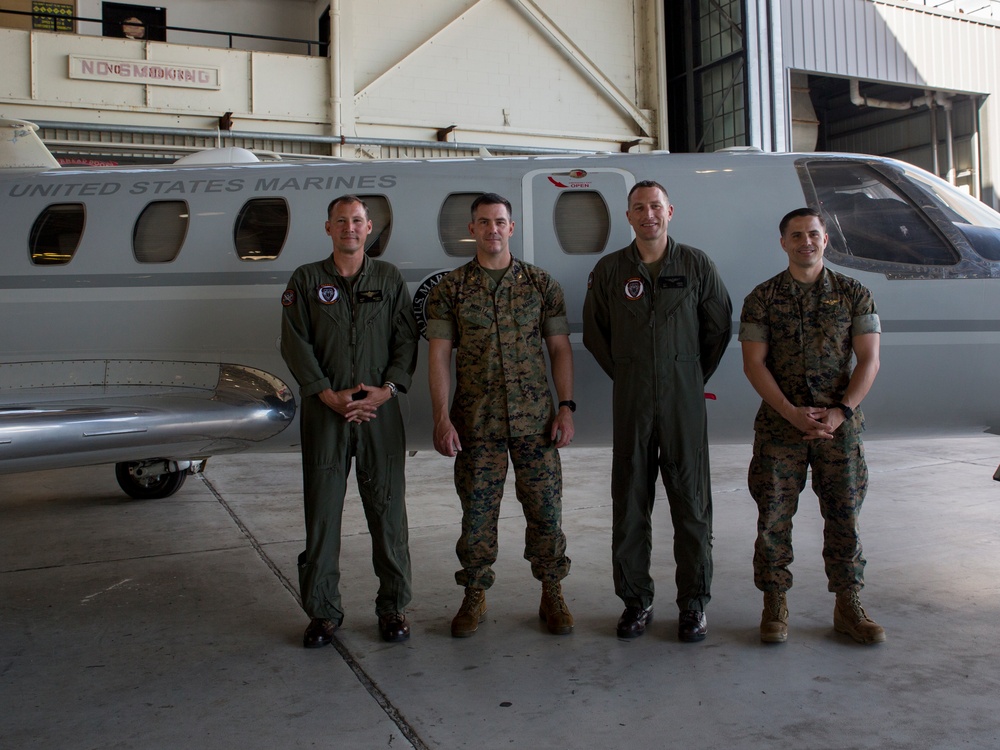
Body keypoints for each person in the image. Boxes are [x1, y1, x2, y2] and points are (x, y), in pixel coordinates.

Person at [582, 180, 732, 642]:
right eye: (638, 208)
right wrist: (631, 372)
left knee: (691, 503)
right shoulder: (610, 270)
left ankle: (693, 605)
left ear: (671, 211)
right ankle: (636, 601)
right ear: (627, 217)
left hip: (683, 402)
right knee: (629, 502)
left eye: (655, 206)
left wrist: (685, 375)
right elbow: (595, 334)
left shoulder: (696, 264)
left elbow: (719, 327)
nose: (648, 214)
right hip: (631, 401)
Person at [427, 192, 576, 638]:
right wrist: (441, 417)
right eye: (484, 222)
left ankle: (552, 593)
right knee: (476, 516)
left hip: (536, 422)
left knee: (546, 513)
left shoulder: (540, 284)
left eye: (500, 221)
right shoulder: (450, 289)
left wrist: (565, 408)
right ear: (471, 229)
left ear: (512, 228)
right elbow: (438, 358)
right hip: (476, 425)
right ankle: (474, 595)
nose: (493, 228)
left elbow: (559, 350)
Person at [739, 207, 885, 645]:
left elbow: (869, 359)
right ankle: (775, 604)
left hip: (839, 429)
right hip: (781, 429)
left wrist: (841, 411)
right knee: (773, 520)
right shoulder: (762, 298)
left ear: (826, 240)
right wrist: (790, 412)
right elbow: (753, 363)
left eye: (814, 234)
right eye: (796, 235)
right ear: (783, 242)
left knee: (845, 518)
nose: (806, 241)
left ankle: (848, 605)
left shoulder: (854, 292)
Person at [280, 195, 418, 647]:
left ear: (369, 227)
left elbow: (405, 340)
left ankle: (393, 607)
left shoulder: (389, 278)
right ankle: (322, 612)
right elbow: (295, 342)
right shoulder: (306, 280)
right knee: (322, 513)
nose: (350, 228)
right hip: (326, 412)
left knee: (388, 511)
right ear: (328, 228)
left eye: (357, 221)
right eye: (341, 221)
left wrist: (388, 389)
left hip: (379, 411)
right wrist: (326, 393)